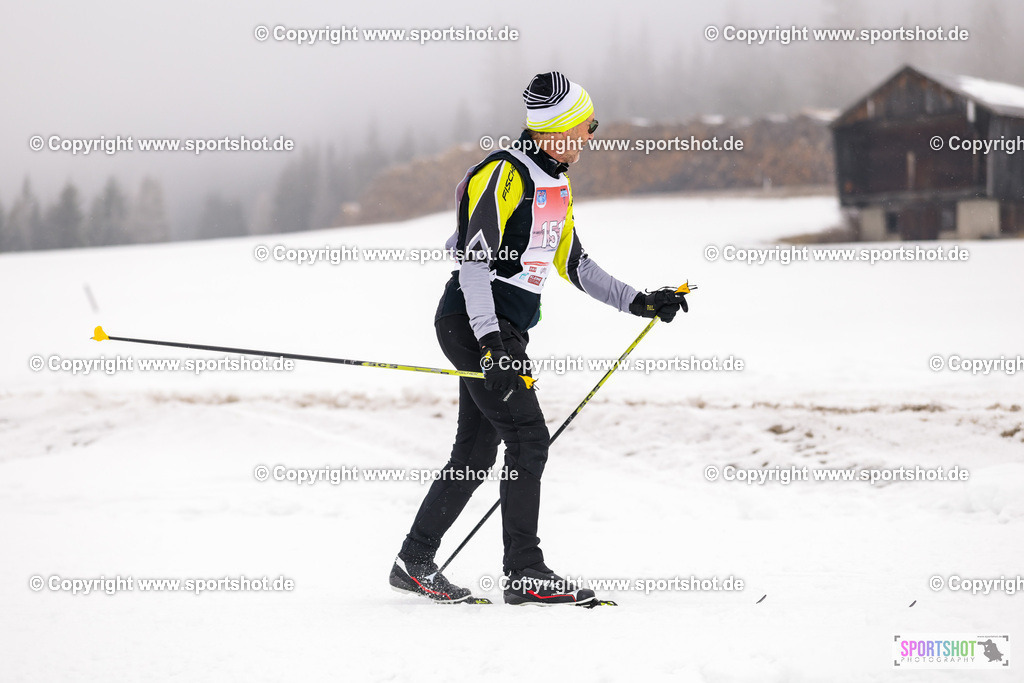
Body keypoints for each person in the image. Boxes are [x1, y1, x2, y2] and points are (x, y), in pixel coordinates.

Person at [389, 71, 688, 605]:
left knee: (477, 450)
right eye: (584, 126)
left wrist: (639, 300)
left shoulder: (556, 182)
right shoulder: (502, 175)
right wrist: (490, 344)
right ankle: (524, 572)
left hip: (504, 333)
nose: (591, 136)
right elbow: (474, 264)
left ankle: (413, 560)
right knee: (527, 436)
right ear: (555, 131)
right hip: (472, 322)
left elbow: (574, 262)